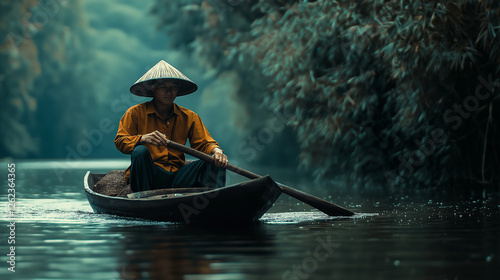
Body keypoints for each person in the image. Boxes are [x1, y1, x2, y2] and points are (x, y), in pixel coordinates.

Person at [115, 60, 228, 192]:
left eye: (173, 87)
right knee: (140, 152)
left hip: (178, 176)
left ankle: (215, 200)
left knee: (214, 161)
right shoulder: (135, 113)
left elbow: (204, 143)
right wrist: (142, 139)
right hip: (150, 175)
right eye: (163, 87)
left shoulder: (189, 116)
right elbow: (120, 141)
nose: (169, 92)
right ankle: (143, 200)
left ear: (178, 89)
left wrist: (217, 151)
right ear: (153, 88)